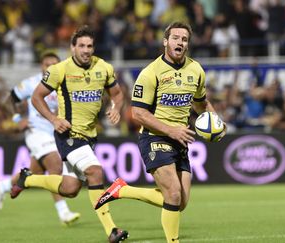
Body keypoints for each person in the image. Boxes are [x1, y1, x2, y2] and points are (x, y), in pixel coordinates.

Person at [95, 22, 226, 243]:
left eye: (184, 39)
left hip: (179, 140)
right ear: (165, 41)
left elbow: (201, 104)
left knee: (180, 203)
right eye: (175, 38)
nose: (180, 43)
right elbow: (138, 113)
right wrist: (171, 130)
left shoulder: (196, 70)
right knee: (173, 193)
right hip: (155, 137)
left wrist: (217, 122)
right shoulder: (151, 73)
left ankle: (122, 190)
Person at [10, 25, 129, 243]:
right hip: (69, 135)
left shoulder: (103, 67)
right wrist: (54, 119)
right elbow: (37, 97)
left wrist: (115, 107)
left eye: (90, 46)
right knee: (95, 172)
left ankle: (28, 179)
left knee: (70, 188)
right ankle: (111, 230)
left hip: (90, 136)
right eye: (81, 45)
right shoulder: (60, 70)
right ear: (72, 47)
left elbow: (118, 94)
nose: (86, 50)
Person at [0, 52, 80, 225]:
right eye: (47, 64)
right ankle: (64, 213)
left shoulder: (66, 83)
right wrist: (17, 119)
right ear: (41, 66)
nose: (50, 67)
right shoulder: (32, 83)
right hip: (36, 132)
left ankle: (3, 186)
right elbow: (10, 99)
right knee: (55, 164)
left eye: (54, 64)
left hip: (57, 133)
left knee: (35, 173)